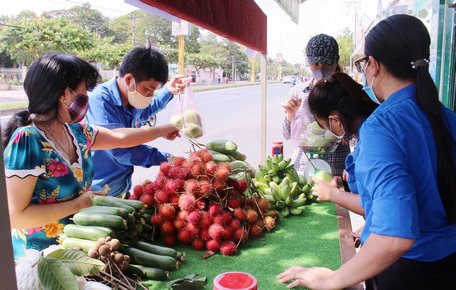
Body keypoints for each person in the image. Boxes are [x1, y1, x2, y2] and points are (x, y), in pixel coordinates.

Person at [278, 14, 456, 289]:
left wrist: (333, 280)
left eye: (363, 65)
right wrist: (373, 222)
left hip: (405, 271)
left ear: (373, 65)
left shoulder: (381, 127)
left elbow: (395, 237)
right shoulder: (447, 117)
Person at [2, 53, 180, 260]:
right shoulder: (27, 141)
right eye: (83, 91)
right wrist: (78, 204)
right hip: (40, 258)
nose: (86, 98)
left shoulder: (77, 131)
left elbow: (119, 136)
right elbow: (15, 216)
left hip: (80, 248)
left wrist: (161, 130)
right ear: (64, 95)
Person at [85, 47, 190, 197]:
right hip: (98, 193)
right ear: (129, 80)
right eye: (148, 89)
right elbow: (120, 148)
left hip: (121, 188)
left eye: (154, 91)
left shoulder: (132, 97)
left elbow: (146, 111)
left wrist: (168, 91)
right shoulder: (100, 101)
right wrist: (167, 158)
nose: (151, 95)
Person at [307, 72, 378, 216]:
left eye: (325, 127)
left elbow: (379, 207)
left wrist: (334, 195)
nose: (328, 132)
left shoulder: (373, 140)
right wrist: (344, 181)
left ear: (335, 120)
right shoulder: (369, 130)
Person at [282, 34, 350, 177]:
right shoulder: (298, 92)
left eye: (326, 64)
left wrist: (344, 130)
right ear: (308, 62)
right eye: (316, 64)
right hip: (302, 165)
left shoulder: (348, 92)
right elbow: (286, 134)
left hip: (336, 169)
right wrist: (290, 115)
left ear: (336, 62)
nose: (320, 68)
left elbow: (357, 133)